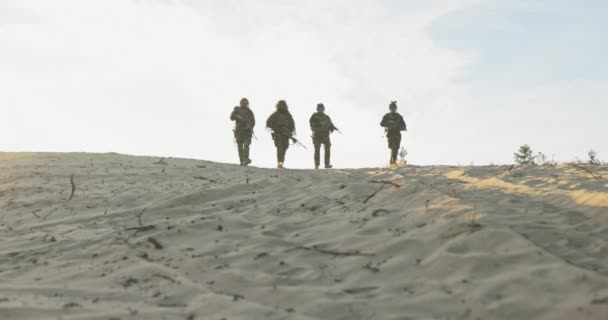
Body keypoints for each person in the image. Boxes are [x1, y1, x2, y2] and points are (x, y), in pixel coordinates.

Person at [266, 100, 295, 169]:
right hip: (278, 133)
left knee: (285, 147)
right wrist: (276, 126)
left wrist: (289, 132)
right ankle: (280, 162)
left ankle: (281, 162)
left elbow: (292, 125)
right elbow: (268, 123)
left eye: (283, 105)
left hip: (286, 134)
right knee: (279, 147)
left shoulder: (288, 115)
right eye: (280, 105)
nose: (282, 106)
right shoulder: (275, 114)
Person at [309, 103, 337, 169]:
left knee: (327, 148)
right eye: (319, 108)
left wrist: (332, 128)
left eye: (321, 108)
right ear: (317, 109)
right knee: (317, 150)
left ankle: (327, 164)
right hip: (317, 136)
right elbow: (311, 123)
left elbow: (330, 124)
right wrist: (317, 127)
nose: (320, 109)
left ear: (323, 109)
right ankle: (316, 165)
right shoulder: (314, 116)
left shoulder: (326, 117)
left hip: (325, 136)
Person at [380, 101, 407, 166]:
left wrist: (401, 127)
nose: (393, 109)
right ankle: (392, 160)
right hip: (390, 133)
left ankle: (393, 161)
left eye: (394, 108)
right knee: (391, 146)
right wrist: (389, 124)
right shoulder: (386, 116)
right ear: (389, 108)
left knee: (396, 147)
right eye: (391, 108)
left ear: (396, 108)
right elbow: (381, 123)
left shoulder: (399, 116)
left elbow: (404, 125)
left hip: (397, 134)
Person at [230, 98, 255, 166]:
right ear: (241, 103)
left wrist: (250, 127)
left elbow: (253, 121)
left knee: (246, 145)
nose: (245, 103)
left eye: (246, 102)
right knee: (240, 147)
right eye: (243, 102)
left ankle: (246, 159)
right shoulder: (237, 110)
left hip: (247, 131)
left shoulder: (250, 111)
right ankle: (242, 161)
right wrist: (235, 114)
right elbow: (231, 118)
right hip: (239, 131)